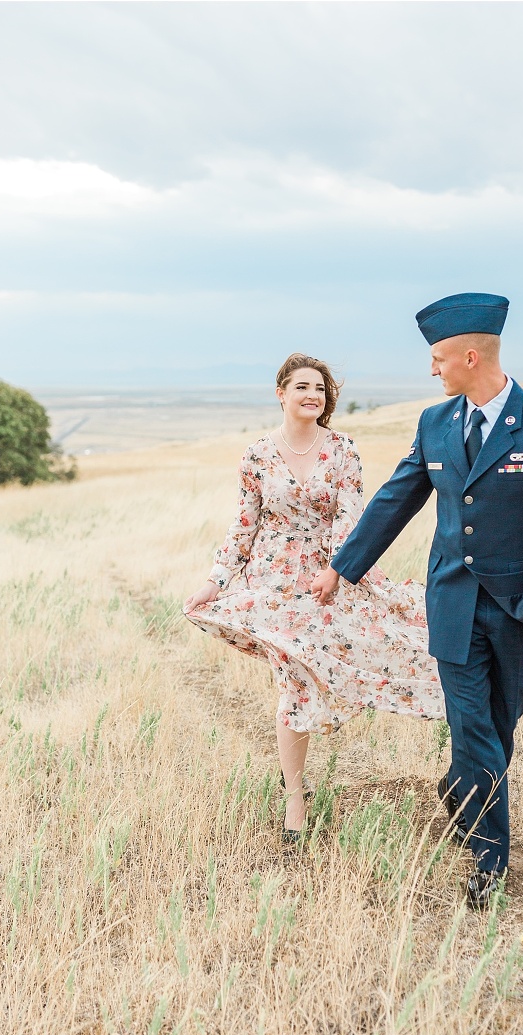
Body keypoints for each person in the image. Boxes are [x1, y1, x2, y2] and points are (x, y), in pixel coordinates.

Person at [312, 294, 523, 908]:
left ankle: (460, 789)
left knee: (498, 726)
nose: (432, 370)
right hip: (453, 604)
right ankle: (488, 861)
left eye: (438, 358)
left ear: (471, 356)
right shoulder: (434, 424)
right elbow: (396, 497)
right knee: (470, 725)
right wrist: (341, 568)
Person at [183, 352, 444, 842]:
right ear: (281, 393)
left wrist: (339, 572)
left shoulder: (343, 449)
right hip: (272, 584)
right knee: (295, 683)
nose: (312, 396)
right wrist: (216, 582)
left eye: (320, 389)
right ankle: (295, 802)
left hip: (327, 577)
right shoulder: (257, 455)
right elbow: (245, 524)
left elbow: (353, 518)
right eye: (302, 387)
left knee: (397, 640)